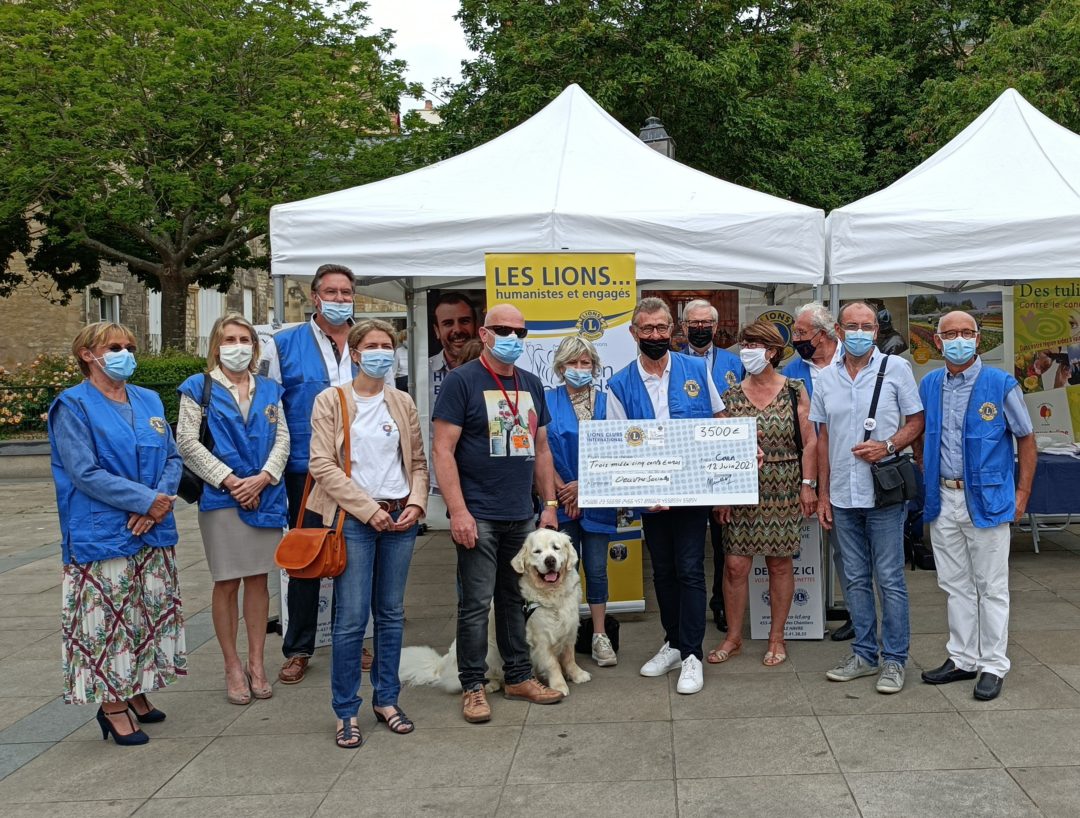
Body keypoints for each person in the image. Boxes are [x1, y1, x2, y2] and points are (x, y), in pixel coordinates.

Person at [48, 322, 185, 746]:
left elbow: (173, 456)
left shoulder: (148, 398)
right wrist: (145, 502)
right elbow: (83, 471)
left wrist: (157, 501)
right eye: (114, 347)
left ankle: (137, 688)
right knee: (107, 624)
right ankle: (112, 706)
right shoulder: (72, 405)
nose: (125, 352)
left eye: (129, 345)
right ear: (88, 354)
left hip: (151, 528)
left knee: (145, 616)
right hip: (102, 532)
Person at [433, 303, 565, 724]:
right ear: (486, 334)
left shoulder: (531, 384)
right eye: (503, 330)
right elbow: (442, 450)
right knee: (475, 603)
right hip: (478, 514)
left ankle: (518, 676)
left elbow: (541, 449)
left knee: (514, 600)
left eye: (520, 332)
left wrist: (548, 506)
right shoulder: (461, 381)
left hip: (521, 516)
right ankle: (473, 685)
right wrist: (458, 511)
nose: (512, 338)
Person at [306, 319, 428, 747]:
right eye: (372, 345)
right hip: (354, 521)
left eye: (387, 345)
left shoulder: (402, 401)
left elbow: (417, 462)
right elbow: (321, 464)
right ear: (355, 353)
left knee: (392, 615)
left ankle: (387, 699)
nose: (381, 352)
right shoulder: (331, 400)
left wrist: (416, 502)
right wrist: (367, 508)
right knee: (352, 620)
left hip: (400, 519)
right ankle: (345, 710)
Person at [608, 297, 725, 695]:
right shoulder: (618, 384)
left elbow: (718, 421)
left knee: (691, 568)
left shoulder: (695, 369)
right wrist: (642, 491)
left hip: (692, 492)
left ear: (672, 330)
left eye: (662, 329)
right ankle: (673, 643)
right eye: (647, 329)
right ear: (634, 333)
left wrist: (739, 453)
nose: (655, 336)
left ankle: (692, 653)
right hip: (651, 495)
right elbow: (619, 448)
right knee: (662, 571)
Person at [917, 311, 1036, 701]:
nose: (959, 340)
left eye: (967, 333)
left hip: (986, 498)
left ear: (979, 339)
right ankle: (963, 657)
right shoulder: (931, 384)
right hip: (942, 497)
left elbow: (1026, 439)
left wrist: (1021, 495)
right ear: (938, 341)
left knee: (991, 585)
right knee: (954, 584)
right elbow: (920, 433)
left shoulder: (1000, 384)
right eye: (951, 334)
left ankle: (993, 664)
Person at [260, 263, 367, 685]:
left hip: (362, 472)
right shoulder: (283, 345)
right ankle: (299, 647)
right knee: (305, 558)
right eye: (332, 292)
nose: (340, 299)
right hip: (306, 471)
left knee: (356, 557)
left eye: (346, 292)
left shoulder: (368, 343)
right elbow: (271, 412)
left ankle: (353, 638)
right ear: (314, 296)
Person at [813, 301, 925, 694]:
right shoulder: (825, 378)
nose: (860, 331)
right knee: (856, 580)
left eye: (867, 326)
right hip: (843, 494)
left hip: (884, 493)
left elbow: (916, 421)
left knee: (890, 579)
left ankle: (894, 659)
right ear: (838, 331)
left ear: (876, 332)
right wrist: (823, 494)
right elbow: (823, 439)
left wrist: (889, 445)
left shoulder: (896, 369)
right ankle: (864, 654)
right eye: (852, 325)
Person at [177, 314, 289, 705]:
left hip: (266, 494)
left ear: (255, 347)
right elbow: (188, 443)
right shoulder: (198, 388)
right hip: (221, 498)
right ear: (216, 345)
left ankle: (257, 662)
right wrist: (231, 481)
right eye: (230, 338)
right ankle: (231, 664)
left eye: (245, 338)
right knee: (227, 581)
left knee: (258, 580)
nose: (238, 345)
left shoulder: (271, 389)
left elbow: (283, 440)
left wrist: (263, 478)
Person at [709, 320, 817, 667]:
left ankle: (777, 637)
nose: (747, 350)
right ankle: (734, 637)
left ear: (772, 351)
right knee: (735, 566)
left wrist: (808, 485)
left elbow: (810, 441)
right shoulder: (730, 394)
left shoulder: (794, 389)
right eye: (745, 344)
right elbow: (718, 446)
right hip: (740, 488)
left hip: (783, 483)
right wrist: (721, 495)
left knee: (779, 563)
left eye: (755, 345)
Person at [545, 335, 618, 667]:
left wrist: (584, 487)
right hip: (559, 500)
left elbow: (618, 451)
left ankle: (600, 635)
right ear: (561, 368)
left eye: (585, 363)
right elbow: (540, 452)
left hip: (599, 496)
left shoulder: (607, 402)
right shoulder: (546, 401)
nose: (579, 369)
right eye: (572, 363)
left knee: (597, 570)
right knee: (560, 571)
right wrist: (564, 491)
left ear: (594, 366)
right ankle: (564, 639)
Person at [784, 302, 854, 642]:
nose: (795, 338)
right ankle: (810, 615)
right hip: (806, 470)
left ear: (824, 334)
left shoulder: (858, 361)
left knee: (851, 549)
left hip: (852, 466)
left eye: (800, 332)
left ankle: (859, 612)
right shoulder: (791, 371)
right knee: (814, 546)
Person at [679, 298, 744, 633]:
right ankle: (685, 607)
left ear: (716, 327)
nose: (700, 329)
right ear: (683, 327)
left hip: (725, 467)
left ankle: (720, 604)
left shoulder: (735, 363)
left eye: (706, 324)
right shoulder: (672, 363)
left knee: (724, 543)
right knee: (687, 547)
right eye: (694, 323)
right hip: (687, 467)